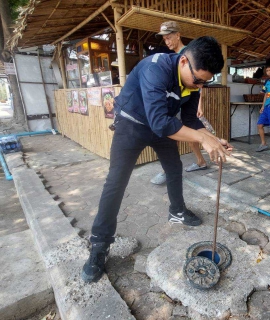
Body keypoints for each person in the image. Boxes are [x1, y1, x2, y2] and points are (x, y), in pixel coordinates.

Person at [82, 36, 230, 283]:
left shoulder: (193, 83)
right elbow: (159, 121)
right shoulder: (156, 67)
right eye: (198, 80)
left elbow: (190, 120)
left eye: (205, 82)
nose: (199, 87)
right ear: (184, 61)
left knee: (174, 167)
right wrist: (203, 140)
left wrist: (212, 137)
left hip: (163, 125)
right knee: (116, 181)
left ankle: (177, 211)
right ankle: (100, 244)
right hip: (132, 124)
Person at [151, 21, 210, 185]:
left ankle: (168, 170)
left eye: (169, 37)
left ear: (178, 35)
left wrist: (199, 105)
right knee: (185, 133)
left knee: (174, 133)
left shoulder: (188, 55)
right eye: (164, 39)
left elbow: (199, 83)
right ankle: (200, 161)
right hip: (178, 101)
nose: (167, 41)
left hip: (186, 101)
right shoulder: (174, 56)